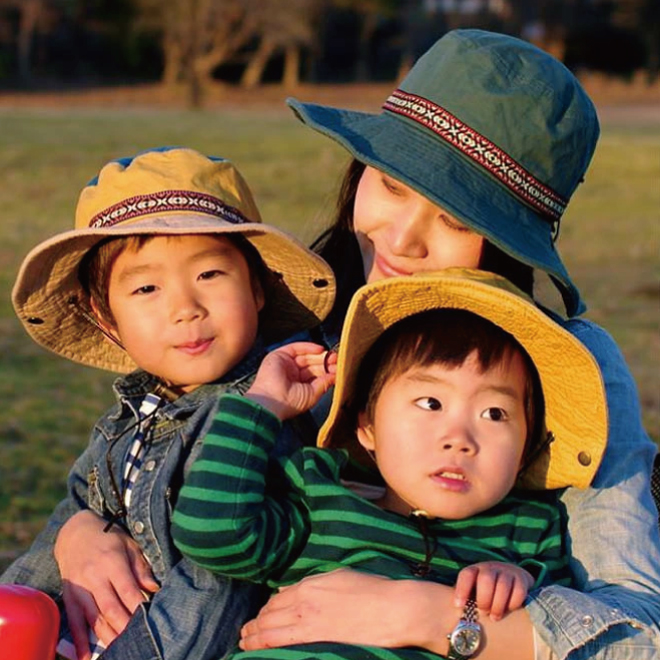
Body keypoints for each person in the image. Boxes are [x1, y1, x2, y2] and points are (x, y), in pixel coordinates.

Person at [44, 29, 660, 660]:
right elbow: (142, 469)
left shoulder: (565, 368)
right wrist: (77, 534)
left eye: (456, 219)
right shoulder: (270, 327)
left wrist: (425, 614)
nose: (402, 240)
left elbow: (639, 631)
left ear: (508, 246)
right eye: (392, 184)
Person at [0, 146, 335, 660]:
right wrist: (23, 597)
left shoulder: (263, 416)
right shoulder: (127, 417)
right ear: (105, 317)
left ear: (258, 289)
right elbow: (73, 514)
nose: (185, 309)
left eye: (210, 275)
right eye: (147, 288)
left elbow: (218, 583)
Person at [171, 268, 610, 660]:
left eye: (494, 414)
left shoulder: (528, 532)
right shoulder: (319, 500)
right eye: (430, 403)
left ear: (526, 449)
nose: (459, 439)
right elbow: (210, 534)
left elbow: (562, 638)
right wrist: (262, 405)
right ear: (368, 427)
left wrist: (520, 587)